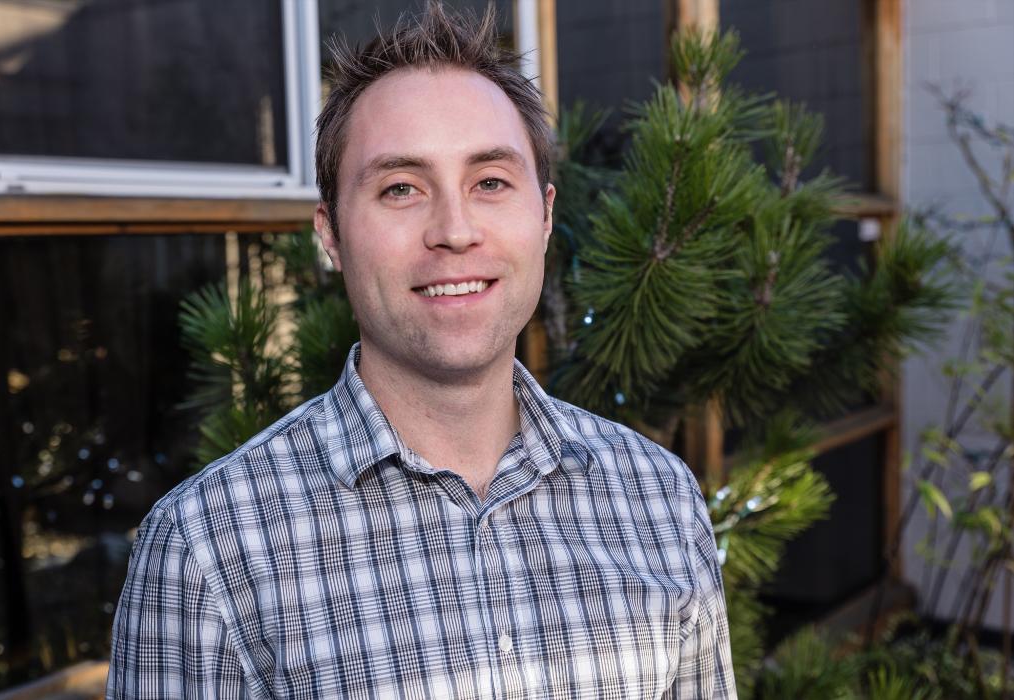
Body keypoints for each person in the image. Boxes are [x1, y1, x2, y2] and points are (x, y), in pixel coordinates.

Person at [106, 3, 736, 698]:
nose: (455, 231)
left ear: (546, 214)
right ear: (330, 235)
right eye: (401, 188)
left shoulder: (658, 496)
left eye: (490, 182)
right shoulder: (206, 551)